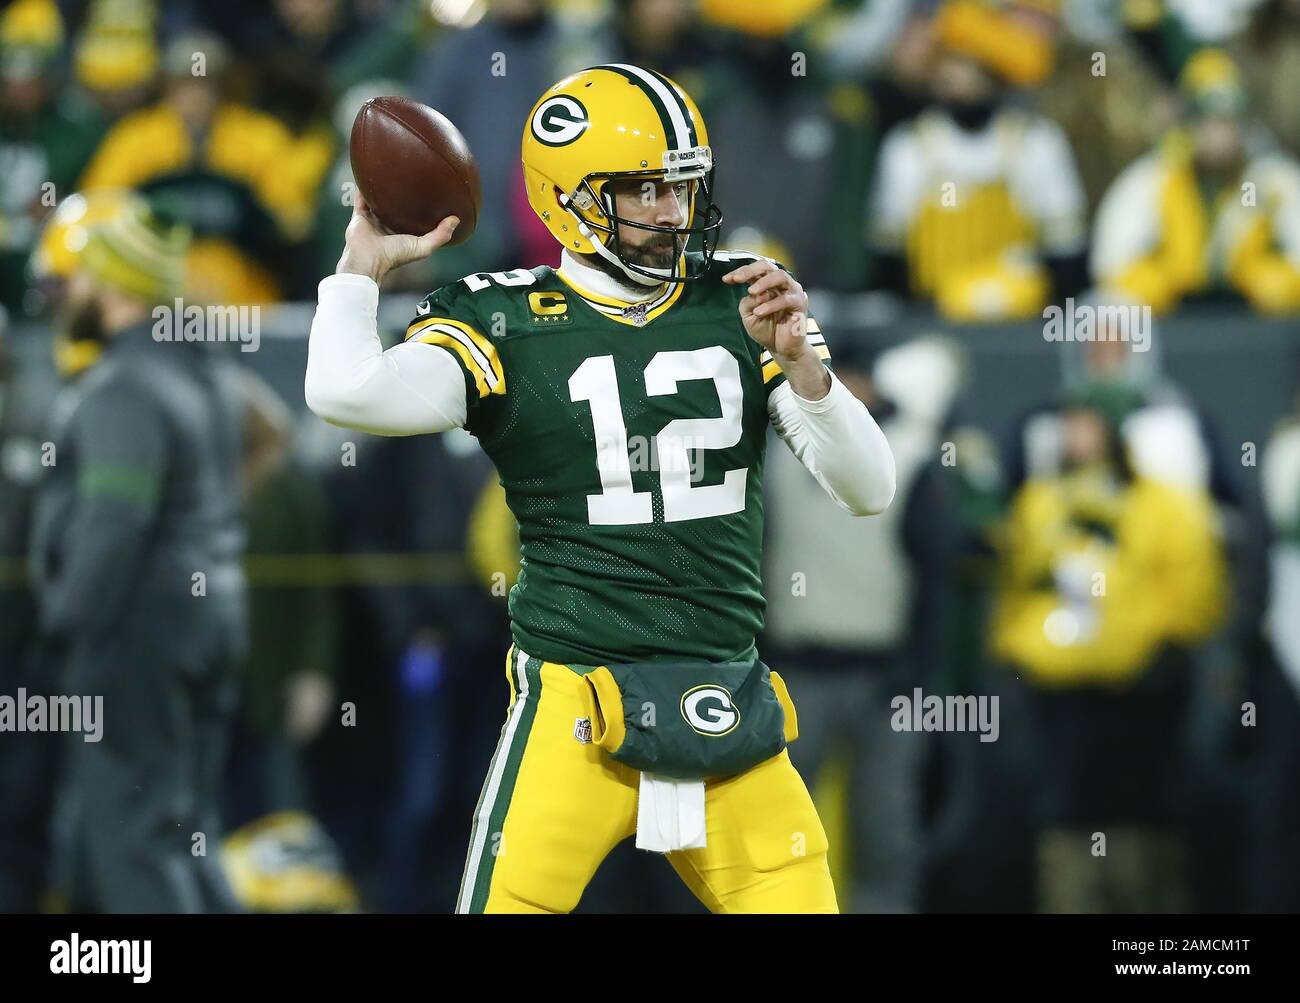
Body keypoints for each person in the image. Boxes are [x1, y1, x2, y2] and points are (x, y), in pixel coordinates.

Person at [305, 64, 896, 914]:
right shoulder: (502, 318)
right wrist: (360, 268)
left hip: (725, 698)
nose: (669, 210)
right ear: (564, 197)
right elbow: (343, 393)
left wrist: (805, 368)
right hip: (572, 704)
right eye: (642, 189)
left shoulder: (739, 299)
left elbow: (867, 488)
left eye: (681, 185)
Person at [29, 194, 248, 913]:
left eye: (77, 279)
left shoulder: (122, 383)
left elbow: (115, 524)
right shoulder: (208, 369)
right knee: (188, 828)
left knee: (135, 839)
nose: (67, 297)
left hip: (135, 633)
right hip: (215, 616)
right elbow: (266, 435)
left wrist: (66, 617)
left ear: (113, 283)